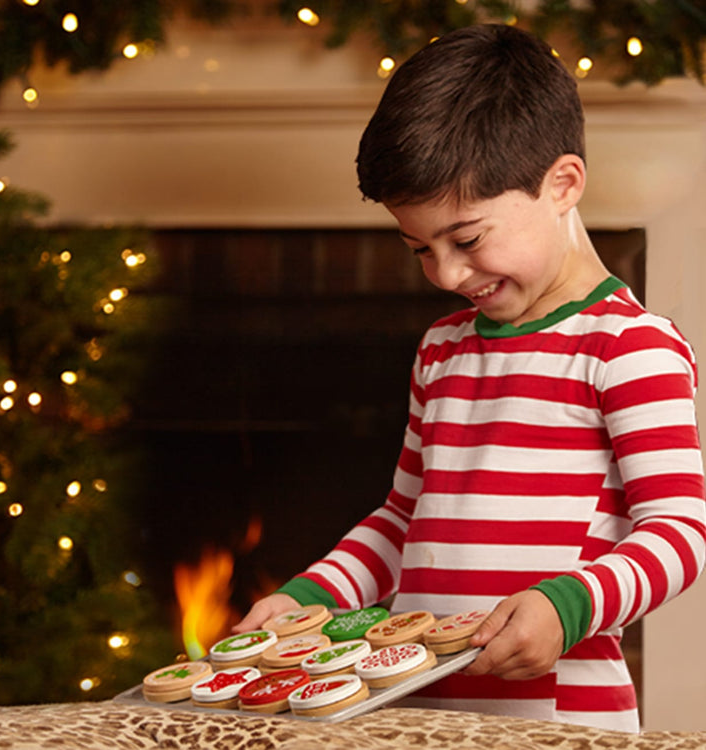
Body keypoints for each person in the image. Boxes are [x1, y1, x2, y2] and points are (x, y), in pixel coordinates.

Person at [233, 24, 706, 732]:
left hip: (560, 723)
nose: (447, 274)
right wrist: (317, 596)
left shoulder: (628, 348)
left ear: (562, 184)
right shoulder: (442, 351)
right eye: (420, 247)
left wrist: (566, 605)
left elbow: (678, 532)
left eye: (468, 239)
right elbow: (401, 521)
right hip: (415, 711)